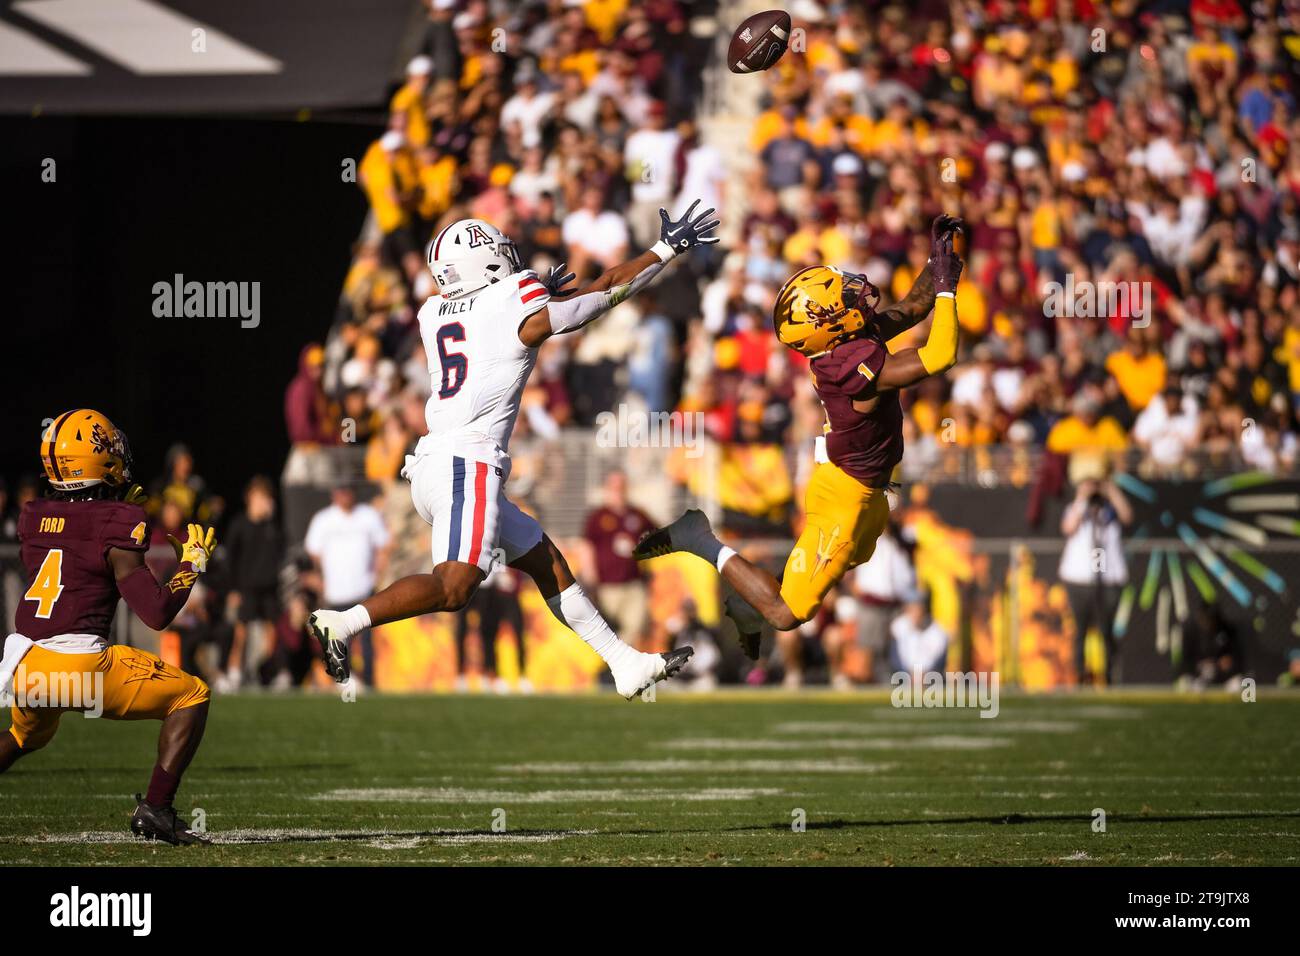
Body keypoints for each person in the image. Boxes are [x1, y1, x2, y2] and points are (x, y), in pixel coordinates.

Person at [308, 201, 721, 700]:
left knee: (547, 561)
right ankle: (344, 622)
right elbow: (603, 291)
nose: (510, 257)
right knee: (455, 587)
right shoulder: (513, 296)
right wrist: (663, 249)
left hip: (438, 463)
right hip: (468, 464)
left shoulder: (432, 311)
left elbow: (501, 328)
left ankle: (625, 663)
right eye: (499, 251)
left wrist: (541, 294)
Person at [635, 216, 966, 651]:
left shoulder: (847, 343)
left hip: (866, 490)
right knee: (787, 612)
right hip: (845, 496)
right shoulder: (848, 365)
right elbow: (939, 355)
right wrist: (944, 288)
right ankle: (699, 539)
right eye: (840, 294)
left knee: (834, 567)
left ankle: (745, 604)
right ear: (827, 322)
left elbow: (913, 307)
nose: (853, 288)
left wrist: (941, 259)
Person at [0, 409, 216, 845]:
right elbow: (155, 613)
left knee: (23, 736)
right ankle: (156, 810)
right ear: (98, 459)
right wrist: (190, 565)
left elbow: (76, 535)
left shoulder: (33, 517)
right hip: (79, 666)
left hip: (25, 663)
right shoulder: (120, 521)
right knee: (193, 695)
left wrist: (115, 508)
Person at [303, 485, 390, 688]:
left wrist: (378, 574)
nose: (344, 496)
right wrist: (320, 577)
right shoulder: (323, 519)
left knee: (367, 642)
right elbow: (313, 551)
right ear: (334, 494)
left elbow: (383, 546)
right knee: (339, 641)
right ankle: (344, 683)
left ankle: (369, 682)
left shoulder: (368, 516)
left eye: (348, 491)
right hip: (335, 593)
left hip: (363, 590)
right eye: (340, 491)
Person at [1058, 475, 1132, 685]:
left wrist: (1110, 490)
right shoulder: (1077, 509)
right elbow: (1068, 527)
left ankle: (1109, 674)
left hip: (1109, 578)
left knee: (1107, 629)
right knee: (1080, 630)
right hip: (1080, 579)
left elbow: (1127, 516)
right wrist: (1082, 497)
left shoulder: (1110, 512)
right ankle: (1080, 674)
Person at [221, 476, 284, 690]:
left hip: (269, 588)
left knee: (272, 632)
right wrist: (232, 589)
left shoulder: (272, 527)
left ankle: (270, 672)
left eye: (265, 497)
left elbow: (280, 551)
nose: (261, 501)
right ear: (249, 498)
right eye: (258, 496)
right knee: (241, 633)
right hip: (245, 587)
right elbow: (230, 560)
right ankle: (234, 673)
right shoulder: (239, 525)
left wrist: (269, 521)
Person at [581, 470, 655, 649]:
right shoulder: (597, 517)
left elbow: (656, 535)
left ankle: (620, 663)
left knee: (635, 626)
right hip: (608, 585)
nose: (618, 491)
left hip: (634, 582)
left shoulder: (637, 514)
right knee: (609, 629)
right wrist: (589, 574)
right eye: (613, 487)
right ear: (606, 489)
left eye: (621, 486)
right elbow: (586, 546)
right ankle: (615, 667)